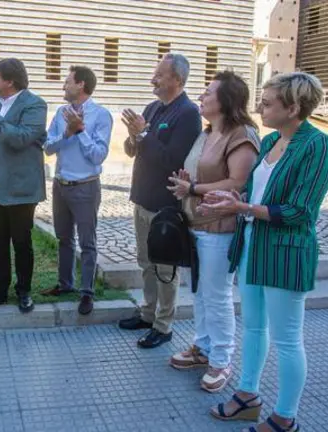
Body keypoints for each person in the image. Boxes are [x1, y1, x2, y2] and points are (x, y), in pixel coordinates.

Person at [201, 72, 328, 432]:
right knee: (253, 327)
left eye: (267, 103)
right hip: (253, 246)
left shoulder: (319, 146)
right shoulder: (272, 139)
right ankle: (247, 397)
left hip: (286, 253)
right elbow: (258, 191)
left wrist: (243, 208)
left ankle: (285, 417)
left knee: (287, 339)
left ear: (293, 108)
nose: (259, 108)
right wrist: (235, 198)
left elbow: (300, 211)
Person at [166, 71, 260, 393]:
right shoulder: (207, 132)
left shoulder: (241, 134)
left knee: (217, 295)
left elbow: (238, 182)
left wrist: (193, 188)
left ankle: (222, 359)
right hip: (196, 224)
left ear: (226, 100)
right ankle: (203, 347)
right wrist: (187, 184)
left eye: (209, 92)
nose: (202, 96)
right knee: (201, 292)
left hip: (220, 227)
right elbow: (199, 175)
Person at [117, 53, 202, 348]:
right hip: (142, 197)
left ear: (177, 79)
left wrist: (143, 133)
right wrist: (134, 136)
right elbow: (133, 150)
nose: (152, 79)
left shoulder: (188, 113)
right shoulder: (152, 108)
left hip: (165, 206)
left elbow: (173, 160)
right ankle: (148, 313)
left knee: (165, 268)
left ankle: (164, 326)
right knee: (146, 262)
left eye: (159, 75)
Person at [0, 58, 47, 313]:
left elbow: (21, 138)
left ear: (10, 81)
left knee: (22, 242)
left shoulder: (35, 105)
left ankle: (24, 291)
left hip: (20, 188)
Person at [41, 65, 112, 315]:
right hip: (61, 185)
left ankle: (87, 292)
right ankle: (65, 284)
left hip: (86, 187)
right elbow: (48, 147)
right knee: (63, 238)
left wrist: (80, 131)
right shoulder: (60, 113)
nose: (63, 86)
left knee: (87, 242)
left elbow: (98, 155)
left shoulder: (101, 115)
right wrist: (67, 133)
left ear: (81, 84)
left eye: (67, 81)